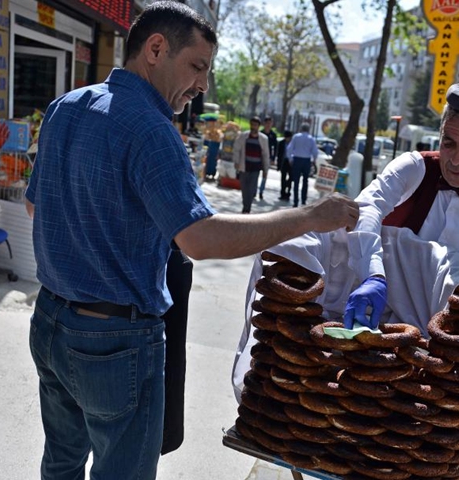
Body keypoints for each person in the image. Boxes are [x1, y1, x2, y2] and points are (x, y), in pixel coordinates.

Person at [23, 3, 359, 480]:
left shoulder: (66, 106)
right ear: (156, 49)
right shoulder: (152, 129)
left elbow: (36, 208)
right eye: (197, 67)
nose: (202, 85)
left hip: (51, 323)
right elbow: (200, 238)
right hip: (114, 341)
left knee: (61, 465)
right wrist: (308, 216)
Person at [343, 81, 459, 459]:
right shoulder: (413, 169)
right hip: (370, 320)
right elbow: (365, 210)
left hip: (433, 360)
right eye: (449, 143)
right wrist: (373, 273)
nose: (455, 158)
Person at [233, 116, 270, 213]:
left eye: (255, 125)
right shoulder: (243, 136)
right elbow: (236, 149)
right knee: (244, 188)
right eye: (252, 124)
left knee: (251, 189)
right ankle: (246, 205)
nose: (253, 127)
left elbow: (266, 155)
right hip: (244, 166)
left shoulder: (263, 139)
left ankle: (247, 208)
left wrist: (266, 170)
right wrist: (236, 162)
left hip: (255, 168)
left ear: (258, 126)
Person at [286, 123, 318, 207]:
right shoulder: (311, 138)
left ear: (301, 129)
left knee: (296, 181)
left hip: (297, 159)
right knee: (305, 181)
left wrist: (290, 159)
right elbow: (315, 151)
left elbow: (289, 148)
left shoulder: (296, 137)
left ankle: (295, 201)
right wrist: (314, 160)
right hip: (306, 160)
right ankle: (303, 200)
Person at [258, 116, 278, 200]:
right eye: (267, 123)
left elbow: (275, 147)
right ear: (264, 123)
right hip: (258, 156)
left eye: (270, 123)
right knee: (256, 173)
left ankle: (261, 191)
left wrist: (273, 158)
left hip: (267, 156)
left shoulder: (273, 135)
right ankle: (254, 191)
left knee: (265, 174)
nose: (269, 125)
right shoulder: (260, 133)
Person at [277, 130, 293, 201]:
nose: (287, 139)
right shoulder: (281, 143)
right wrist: (278, 165)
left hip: (291, 162)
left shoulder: (293, 144)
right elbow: (279, 154)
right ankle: (282, 193)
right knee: (283, 178)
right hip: (284, 162)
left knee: (291, 178)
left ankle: (288, 192)